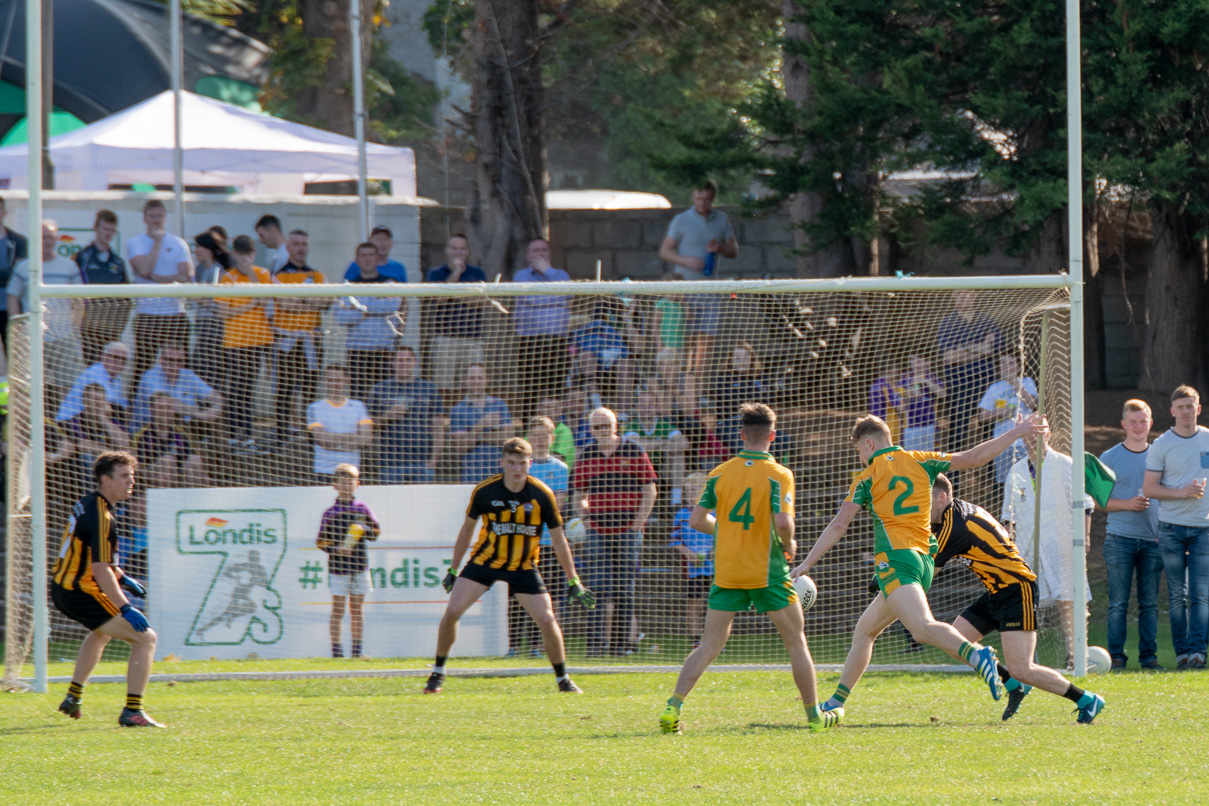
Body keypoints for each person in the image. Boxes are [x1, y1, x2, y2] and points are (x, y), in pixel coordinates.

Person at [792, 411, 1048, 703]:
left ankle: (978, 656)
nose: (860, 457)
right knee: (864, 631)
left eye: (859, 450)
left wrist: (806, 564)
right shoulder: (921, 459)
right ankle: (835, 702)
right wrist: (1015, 433)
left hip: (896, 560)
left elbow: (839, 524)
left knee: (922, 628)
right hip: (925, 560)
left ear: (870, 444)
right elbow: (975, 457)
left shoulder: (866, 478)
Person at [818, 473, 1106, 725]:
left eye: (925, 499)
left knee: (1023, 666)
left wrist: (888, 581)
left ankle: (1085, 700)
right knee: (956, 640)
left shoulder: (956, 526)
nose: (920, 506)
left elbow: (924, 570)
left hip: (1018, 590)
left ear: (942, 496)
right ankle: (1012, 683)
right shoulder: (950, 515)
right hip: (996, 590)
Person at [659, 403, 838, 735]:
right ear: (772, 435)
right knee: (796, 642)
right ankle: (815, 717)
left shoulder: (720, 472)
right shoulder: (780, 474)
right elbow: (784, 522)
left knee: (709, 644)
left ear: (741, 435)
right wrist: (788, 545)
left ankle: (673, 707)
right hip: (766, 570)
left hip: (727, 571)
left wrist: (728, 530)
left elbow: (697, 520)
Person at [424, 437, 596, 694]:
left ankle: (563, 680)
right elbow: (466, 531)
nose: (517, 469)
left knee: (548, 620)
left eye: (522, 464)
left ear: (530, 464)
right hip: (485, 562)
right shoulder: (485, 491)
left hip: (524, 566)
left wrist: (574, 580)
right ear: (502, 462)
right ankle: (437, 673)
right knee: (452, 612)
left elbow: (559, 540)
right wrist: (453, 569)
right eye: (512, 463)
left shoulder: (542, 494)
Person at [51, 451, 164, 727]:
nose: (131, 481)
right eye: (125, 476)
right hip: (80, 591)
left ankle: (73, 696)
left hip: (63, 587)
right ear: (106, 480)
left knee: (101, 633)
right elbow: (101, 570)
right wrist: (125, 606)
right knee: (146, 639)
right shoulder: (103, 517)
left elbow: (95, 559)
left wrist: (123, 578)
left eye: (132, 475)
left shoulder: (89, 503)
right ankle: (132, 711)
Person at [1001, 416, 1093, 669]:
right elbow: (1009, 518)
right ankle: (1027, 659)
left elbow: (1085, 504)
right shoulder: (1016, 471)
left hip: (1062, 545)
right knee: (1028, 604)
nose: (1034, 436)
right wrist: (1009, 544)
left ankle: (1076, 654)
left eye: (1040, 430)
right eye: (1029, 431)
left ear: (1050, 434)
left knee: (1069, 600)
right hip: (1029, 550)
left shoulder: (1065, 464)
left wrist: (1083, 538)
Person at [571, 406, 658, 656]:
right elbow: (579, 493)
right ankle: (595, 647)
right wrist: (585, 519)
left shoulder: (634, 449)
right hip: (598, 530)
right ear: (590, 429)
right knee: (595, 586)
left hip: (628, 531)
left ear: (615, 425)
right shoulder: (586, 455)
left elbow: (650, 489)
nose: (603, 431)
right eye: (597, 426)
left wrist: (638, 523)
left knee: (625, 588)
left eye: (607, 425)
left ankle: (621, 646)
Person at [1143, 384, 1209, 670]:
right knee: (1176, 595)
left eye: (1189, 405)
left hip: (1204, 530)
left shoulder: (1207, 439)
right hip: (1171, 529)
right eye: (1180, 407)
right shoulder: (1162, 444)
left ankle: (1198, 653)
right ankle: (1182, 653)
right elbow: (1149, 488)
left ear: (1198, 408)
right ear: (1172, 411)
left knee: (1200, 593)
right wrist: (1181, 492)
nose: (1185, 411)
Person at [1100, 399, 1164, 671]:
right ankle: (1116, 658)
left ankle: (1149, 658)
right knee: (1118, 604)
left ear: (1150, 423)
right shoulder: (1108, 458)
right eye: (1133, 422)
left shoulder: (1162, 455)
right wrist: (1127, 504)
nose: (1138, 427)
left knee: (1149, 604)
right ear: (1124, 424)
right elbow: (1099, 501)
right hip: (1120, 539)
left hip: (1155, 541)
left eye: (1143, 421)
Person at [658, 180, 738, 372]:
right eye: (699, 198)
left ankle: (699, 388)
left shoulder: (722, 219)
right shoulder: (681, 220)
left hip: (711, 290)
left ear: (713, 199)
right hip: (685, 290)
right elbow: (665, 251)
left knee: (706, 342)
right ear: (693, 196)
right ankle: (684, 387)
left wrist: (720, 247)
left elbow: (733, 250)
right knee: (687, 340)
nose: (702, 203)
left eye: (707, 199)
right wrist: (686, 261)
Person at [509, 416, 571, 656]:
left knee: (545, 595)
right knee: (516, 595)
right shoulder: (522, 466)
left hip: (548, 542)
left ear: (552, 438)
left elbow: (559, 504)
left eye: (544, 435)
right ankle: (513, 644)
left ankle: (536, 645)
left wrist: (534, 509)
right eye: (535, 435)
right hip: (521, 541)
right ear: (528, 439)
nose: (540, 440)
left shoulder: (561, 468)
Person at [7, 221, 85, 407]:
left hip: (64, 338)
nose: (47, 241)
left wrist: (75, 330)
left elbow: (79, 301)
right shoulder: (24, 267)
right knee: (30, 390)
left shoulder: (70, 267)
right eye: (43, 237)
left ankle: (65, 431)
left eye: (51, 237)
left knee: (67, 387)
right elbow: (12, 297)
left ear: (57, 238)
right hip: (32, 339)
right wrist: (18, 328)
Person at [126, 200, 194, 397]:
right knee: (143, 365)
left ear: (165, 217)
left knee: (180, 367)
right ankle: (137, 412)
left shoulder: (178, 243)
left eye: (160, 216)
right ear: (145, 218)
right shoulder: (135, 243)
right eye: (152, 216)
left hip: (175, 314)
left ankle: (183, 411)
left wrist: (156, 278)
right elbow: (144, 269)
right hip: (148, 315)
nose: (157, 220)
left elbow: (186, 277)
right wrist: (157, 243)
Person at [315, 463, 381, 658]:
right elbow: (320, 541)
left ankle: (356, 653)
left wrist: (363, 529)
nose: (347, 486)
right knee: (338, 609)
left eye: (350, 482)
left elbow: (376, 532)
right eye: (342, 483)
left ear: (357, 484)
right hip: (338, 567)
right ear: (335, 485)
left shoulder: (363, 508)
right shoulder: (330, 512)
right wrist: (337, 549)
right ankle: (337, 653)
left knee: (357, 609)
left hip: (360, 566)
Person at [218, 235, 276, 455]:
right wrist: (250, 304)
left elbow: (264, 300)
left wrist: (251, 272)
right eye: (241, 254)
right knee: (235, 390)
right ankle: (234, 437)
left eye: (249, 254)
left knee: (248, 390)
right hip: (234, 343)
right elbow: (224, 313)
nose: (245, 258)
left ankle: (249, 436)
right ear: (235, 254)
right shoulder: (228, 278)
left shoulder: (261, 273)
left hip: (257, 341)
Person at [272, 229, 328, 444]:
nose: (301, 248)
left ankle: (312, 437)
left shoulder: (317, 275)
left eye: (304, 243)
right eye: (296, 244)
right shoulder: (280, 276)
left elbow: (324, 302)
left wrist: (298, 299)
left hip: (311, 341)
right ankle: (282, 437)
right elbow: (284, 305)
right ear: (288, 247)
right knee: (284, 390)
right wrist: (308, 299)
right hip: (286, 342)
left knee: (310, 390)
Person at [333, 242, 404, 402]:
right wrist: (375, 308)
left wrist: (358, 308)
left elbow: (393, 304)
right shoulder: (348, 287)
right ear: (357, 260)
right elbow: (341, 316)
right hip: (357, 353)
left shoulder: (389, 284)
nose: (367, 259)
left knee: (385, 399)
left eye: (371, 255)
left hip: (384, 352)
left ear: (378, 258)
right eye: (363, 256)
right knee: (360, 398)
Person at [936, 290, 1002, 459]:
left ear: (974, 295)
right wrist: (978, 348)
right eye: (959, 294)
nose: (964, 297)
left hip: (985, 381)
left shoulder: (987, 320)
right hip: (959, 384)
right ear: (953, 297)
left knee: (990, 432)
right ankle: (954, 482)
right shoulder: (947, 323)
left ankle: (994, 481)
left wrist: (962, 348)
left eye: (968, 294)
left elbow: (990, 350)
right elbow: (950, 357)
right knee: (957, 433)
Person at [511, 237, 571, 420]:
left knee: (558, 390)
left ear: (550, 254)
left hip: (557, 344)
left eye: (544, 250)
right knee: (531, 391)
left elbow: (569, 293)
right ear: (528, 255)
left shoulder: (561, 275)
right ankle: (529, 431)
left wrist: (549, 272)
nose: (540, 254)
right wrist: (555, 298)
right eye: (536, 251)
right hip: (531, 343)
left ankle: (558, 431)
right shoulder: (521, 276)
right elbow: (530, 298)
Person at [425, 234, 488, 402]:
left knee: (473, 383)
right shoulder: (436, 273)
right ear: (447, 250)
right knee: (443, 384)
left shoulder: (478, 272)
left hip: (472, 339)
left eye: (462, 248)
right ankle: (445, 419)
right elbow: (438, 299)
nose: (458, 252)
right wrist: (456, 273)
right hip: (446, 338)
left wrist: (452, 292)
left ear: (467, 251)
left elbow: (481, 301)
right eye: (454, 248)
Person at [369, 346, 444, 484]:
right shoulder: (380, 389)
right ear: (393, 363)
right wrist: (388, 416)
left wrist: (434, 461)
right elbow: (369, 424)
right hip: (390, 463)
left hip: (423, 462)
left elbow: (438, 428)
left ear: (415, 362)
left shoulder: (429, 388)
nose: (404, 363)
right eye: (400, 360)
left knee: (423, 503)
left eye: (408, 360)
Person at [74, 209, 132, 366]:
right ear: (95, 227)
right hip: (89, 331)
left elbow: (127, 299)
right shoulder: (82, 258)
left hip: (111, 331)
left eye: (112, 230)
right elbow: (74, 294)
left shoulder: (118, 262)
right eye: (105, 229)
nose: (108, 234)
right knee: (91, 371)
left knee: (111, 371)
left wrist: (118, 327)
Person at [131, 341, 223, 433]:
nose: (174, 365)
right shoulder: (149, 377)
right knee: (173, 415)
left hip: (184, 428)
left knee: (218, 416)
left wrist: (215, 409)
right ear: (161, 360)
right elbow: (168, 404)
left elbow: (214, 395)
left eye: (178, 361)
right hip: (148, 429)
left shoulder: (188, 375)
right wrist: (197, 412)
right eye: (170, 360)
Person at [978, 352, 1039, 484]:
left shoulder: (1027, 382)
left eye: (1010, 363)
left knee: (1028, 481)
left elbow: (1032, 403)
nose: (1006, 366)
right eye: (1003, 363)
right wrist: (999, 412)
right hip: (1003, 442)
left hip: (1026, 443)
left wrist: (1014, 382)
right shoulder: (994, 388)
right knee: (1006, 482)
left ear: (1018, 367)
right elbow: (982, 416)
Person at [668, 471, 712, 651]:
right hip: (692, 567)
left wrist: (716, 551)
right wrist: (688, 553)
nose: (691, 494)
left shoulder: (715, 513)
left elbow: (725, 535)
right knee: (694, 602)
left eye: (695, 490)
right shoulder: (681, 514)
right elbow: (674, 539)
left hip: (715, 565)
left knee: (715, 602)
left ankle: (713, 639)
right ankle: (696, 640)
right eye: (688, 491)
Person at [449, 363, 515, 483]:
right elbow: (461, 447)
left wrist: (475, 436)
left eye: (480, 378)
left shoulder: (500, 405)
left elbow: (508, 439)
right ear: (465, 381)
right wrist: (481, 424)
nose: (476, 381)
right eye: (472, 378)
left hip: (501, 472)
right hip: (472, 474)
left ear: (487, 380)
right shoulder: (457, 410)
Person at [623, 389, 690, 507]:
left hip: (663, 469)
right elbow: (634, 445)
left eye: (650, 405)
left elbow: (684, 443)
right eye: (643, 405)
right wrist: (662, 442)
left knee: (679, 454)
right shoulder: (632, 425)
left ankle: (676, 501)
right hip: (639, 470)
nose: (647, 408)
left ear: (657, 407)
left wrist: (652, 445)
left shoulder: (663, 425)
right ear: (637, 407)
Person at [307, 365, 373, 484]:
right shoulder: (314, 408)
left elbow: (366, 439)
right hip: (324, 471)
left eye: (338, 380)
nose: (334, 384)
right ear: (324, 381)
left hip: (352, 471)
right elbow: (322, 439)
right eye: (330, 380)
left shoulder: (358, 406)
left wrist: (334, 443)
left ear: (346, 381)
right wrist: (353, 437)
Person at [132, 391, 208, 488]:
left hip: (180, 477)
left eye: (168, 407)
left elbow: (192, 458)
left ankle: (191, 498)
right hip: (152, 476)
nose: (165, 411)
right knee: (167, 460)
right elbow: (136, 466)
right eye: (160, 408)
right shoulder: (142, 435)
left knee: (195, 460)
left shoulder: (181, 435)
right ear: (152, 410)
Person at [57, 341, 131, 426]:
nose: (119, 362)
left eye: (123, 360)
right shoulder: (94, 374)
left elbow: (120, 403)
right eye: (116, 357)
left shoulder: (117, 378)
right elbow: (106, 405)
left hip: (91, 420)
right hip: (71, 421)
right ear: (105, 357)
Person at [190, 231, 228, 390]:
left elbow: (221, 306)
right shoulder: (199, 269)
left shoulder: (218, 271)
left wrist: (200, 300)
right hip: (203, 326)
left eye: (199, 246)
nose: (195, 250)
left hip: (215, 327)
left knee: (211, 368)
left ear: (209, 249)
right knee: (199, 365)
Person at [899, 354, 944, 451]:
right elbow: (898, 394)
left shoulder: (931, 377)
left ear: (928, 362)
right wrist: (909, 392)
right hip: (910, 425)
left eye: (919, 361)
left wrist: (926, 381)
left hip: (929, 423)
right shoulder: (905, 377)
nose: (915, 363)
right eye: (912, 360)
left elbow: (943, 394)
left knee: (930, 456)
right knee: (910, 456)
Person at [0, 194, 28, 340]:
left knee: (12, 355)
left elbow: (19, 273)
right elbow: (13, 273)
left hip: (11, 308)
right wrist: (8, 274)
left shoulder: (19, 241)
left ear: (4, 211)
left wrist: (10, 275)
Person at [343, 224, 408, 282]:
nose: (382, 244)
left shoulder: (398, 268)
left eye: (386, 239)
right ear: (370, 241)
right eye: (378, 239)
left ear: (391, 243)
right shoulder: (355, 266)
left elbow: (404, 293)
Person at [868, 359, 904, 444]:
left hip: (875, 427)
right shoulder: (886, 386)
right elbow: (901, 408)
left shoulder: (875, 385)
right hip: (889, 430)